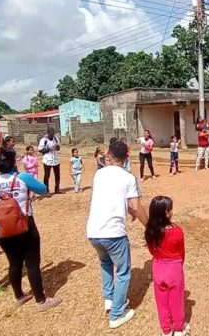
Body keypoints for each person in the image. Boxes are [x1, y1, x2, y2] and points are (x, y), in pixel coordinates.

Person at [0, 147, 61, 312]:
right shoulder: (22, 177)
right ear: (12, 162)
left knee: (14, 263)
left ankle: (19, 296)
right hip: (25, 224)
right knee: (32, 264)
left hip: (2, 227)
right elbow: (43, 189)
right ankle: (40, 300)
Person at [86, 141, 148, 329]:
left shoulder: (99, 174)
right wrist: (149, 226)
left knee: (105, 263)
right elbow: (135, 206)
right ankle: (117, 313)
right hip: (114, 233)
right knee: (122, 271)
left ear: (110, 156)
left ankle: (109, 299)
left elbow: (119, 200)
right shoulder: (128, 178)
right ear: (127, 158)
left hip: (94, 231)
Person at [145, 196, 189, 336]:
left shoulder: (150, 231)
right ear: (166, 212)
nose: (172, 211)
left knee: (161, 301)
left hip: (158, 267)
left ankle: (166, 329)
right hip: (174, 268)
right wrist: (179, 263)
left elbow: (152, 250)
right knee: (177, 300)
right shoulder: (176, 231)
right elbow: (181, 252)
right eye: (170, 209)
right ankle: (178, 328)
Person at [38, 127, 62, 194]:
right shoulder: (43, 140)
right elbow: (40, 150)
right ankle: (46, 190)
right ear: (48, 133)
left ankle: (57, 189)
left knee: (57, 175)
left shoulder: (56, 138)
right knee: (47, 175)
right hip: (47, 160)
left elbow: (58, 148)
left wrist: (57, 147)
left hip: (56, 159)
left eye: (53, 133)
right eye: (51, 134)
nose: (52, 135)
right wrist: (49, 149)